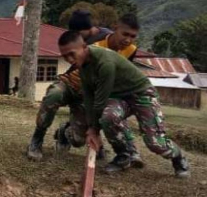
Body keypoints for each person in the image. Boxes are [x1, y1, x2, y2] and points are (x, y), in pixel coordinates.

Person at [57, 31, 190, 178]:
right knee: (108, 117)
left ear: (83, 47)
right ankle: (124, 155)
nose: (69, 59)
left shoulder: (104, 62)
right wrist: (91, 127)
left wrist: (94, 130)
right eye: (65, 56)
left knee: (155, 143)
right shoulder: (82, 66)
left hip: (142, 94)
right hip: (120, 97)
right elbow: (89, 97)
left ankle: (178, 157)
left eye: (72, 54)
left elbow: (100, 100)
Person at [26, 11, 141, 165]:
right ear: (116, 29)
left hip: (89, 93)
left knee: (79, 139)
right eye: (124, 34)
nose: (127, 40)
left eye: (132, 36)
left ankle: (65, 132)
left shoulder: (129, 49)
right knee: (55, 94)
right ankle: (37, 139)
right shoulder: (95, 43)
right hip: (72, 83)